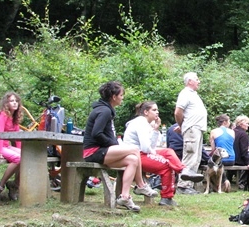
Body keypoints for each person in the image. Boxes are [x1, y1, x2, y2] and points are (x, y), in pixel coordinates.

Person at [83, 81, 157, 212]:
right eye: (121, 95)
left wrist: (114, 145)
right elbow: (96, 133)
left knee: (133, 160)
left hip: (102, 151)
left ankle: (125, 197)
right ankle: (141, 185)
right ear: (114, 96)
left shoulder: (106, 109)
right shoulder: (104, 111)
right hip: (93, 152)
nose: (122, 97)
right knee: (134, 150)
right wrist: (112, 144)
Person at [123, 101, 184, 207]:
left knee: (168, 151)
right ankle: (166, 198)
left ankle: (183, 170)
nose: (157, 112)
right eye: (154, 110)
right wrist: (157, 155)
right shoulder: (141, 123)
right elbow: (146, 148)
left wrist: (156, 129)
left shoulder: (146, 124)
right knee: (166, 165)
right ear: (146, 112)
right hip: (135, 155)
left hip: (142, 153)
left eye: (157, 110)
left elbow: (151, 146)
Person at [0, 92, 23, 202]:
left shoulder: (14, 117)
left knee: (27, 156)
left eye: (16, 101)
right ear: (6, 103)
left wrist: (21, 150)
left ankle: (14, 185)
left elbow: (17, 138)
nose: (15, 103)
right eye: (12, 101)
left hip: (5, 147)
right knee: (19, 158)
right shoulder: (2, 115)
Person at [174, 72, 206, 182]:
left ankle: (189, 185)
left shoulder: (193, 94)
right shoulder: (185, 93)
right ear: (189, 81)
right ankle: (183, 185)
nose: (199, 81)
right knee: (190, 156)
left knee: (196, 158)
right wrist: (182, 125)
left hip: (197, 129)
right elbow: (178, 112)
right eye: (196, 79)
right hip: (192, 129)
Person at [167, 122, 201, 195]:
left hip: (173, 154)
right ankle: (184, 186)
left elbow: (168, 144)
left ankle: (180, 185)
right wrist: (208, 159)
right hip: (182, 154)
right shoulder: (190, 128)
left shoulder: (170, 128)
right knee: (190, 160)